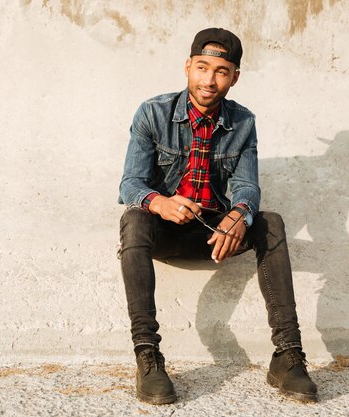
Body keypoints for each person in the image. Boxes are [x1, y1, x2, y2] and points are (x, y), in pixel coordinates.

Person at [117, 28, 318, 404]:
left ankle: (287, 357)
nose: (209, 80)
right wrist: (160, 202)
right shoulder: (153, 112)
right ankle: (148, 356)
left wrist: (240, 214)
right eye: (202, 67)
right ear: (188, 67)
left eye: (221, 71)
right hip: (165, 229)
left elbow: (247, 187)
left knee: (269, 222)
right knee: (134, 218)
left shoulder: (243, 122)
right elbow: (130, 183)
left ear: (235, 77)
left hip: (213, 233)